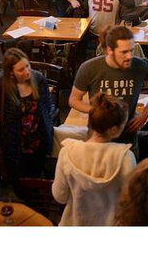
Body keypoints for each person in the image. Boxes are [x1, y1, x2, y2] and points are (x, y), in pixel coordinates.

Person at [69, 26, 148, 150]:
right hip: (98, 140)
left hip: (128, 141)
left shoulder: (140, 65)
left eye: (131, 50)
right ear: (110, 50)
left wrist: (145, 113)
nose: (129, 56)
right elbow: (74, 100)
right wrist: (97, 111)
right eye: (124, 52)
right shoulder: (89, 68)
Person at [52, 92, 136, 226]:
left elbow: (60, 196)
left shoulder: (67, 151)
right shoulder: (125, 157)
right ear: (114, 129)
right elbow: (129, 201)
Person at [0, 48, 53, 183]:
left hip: (39, 143)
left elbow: (47, 106)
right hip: (16, 147)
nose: (27, 71)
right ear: (11, 72)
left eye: (27, 66)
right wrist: (2, 137)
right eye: (21, 70)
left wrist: (47, 128)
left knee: (37, 175)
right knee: (20, 181)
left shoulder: (38, 79)